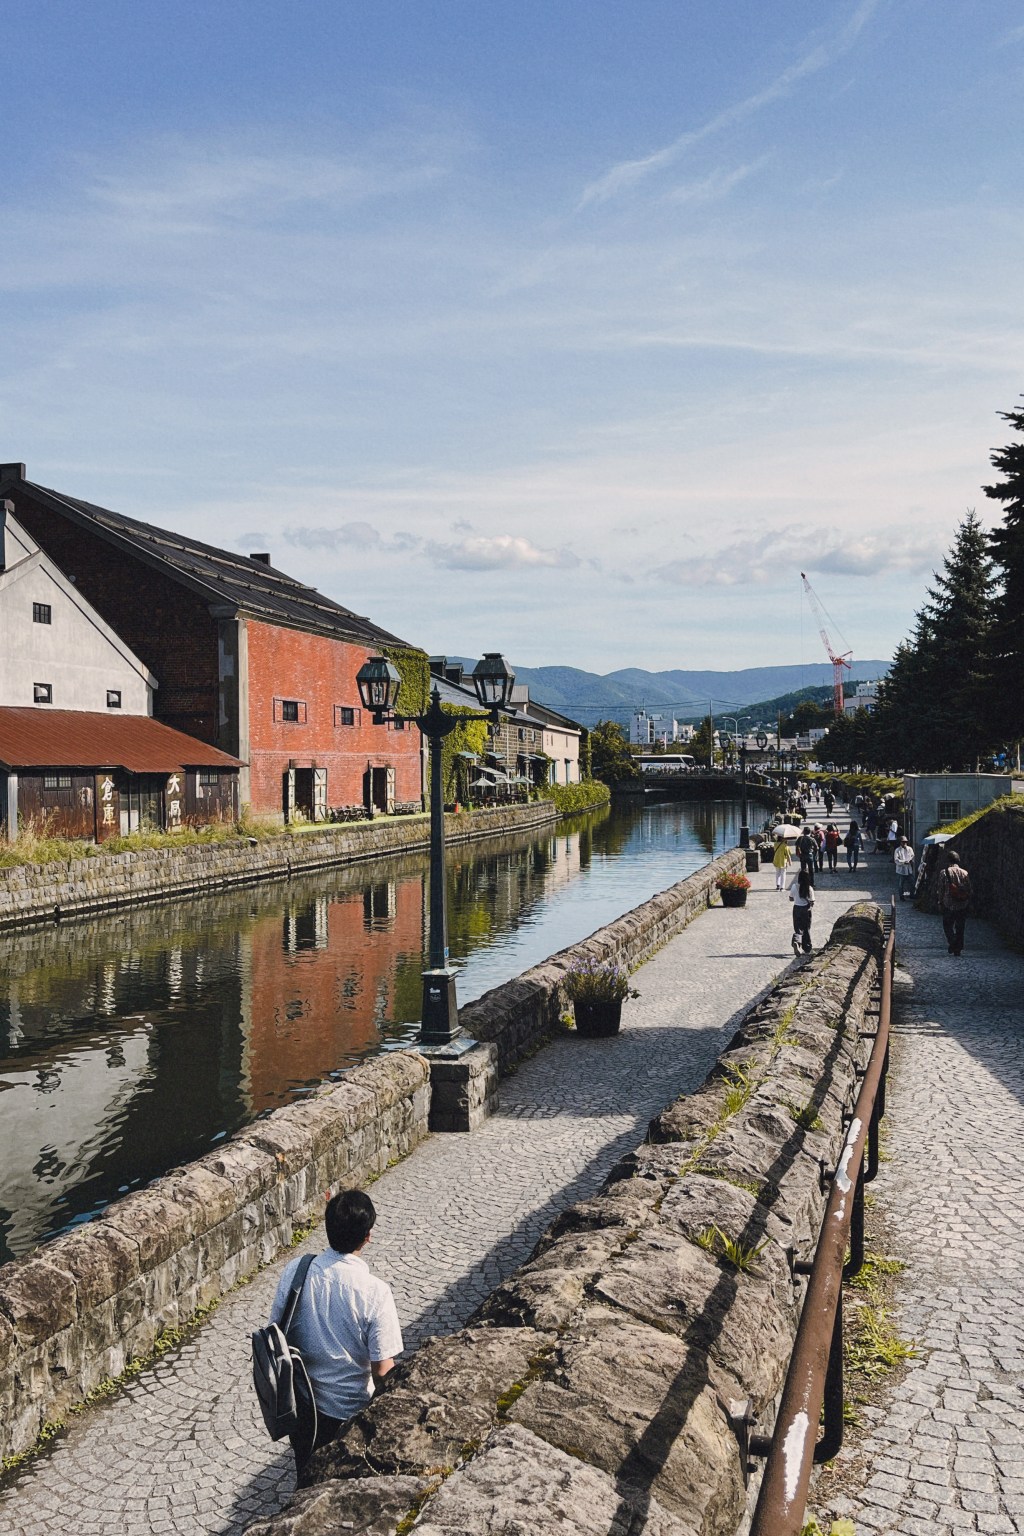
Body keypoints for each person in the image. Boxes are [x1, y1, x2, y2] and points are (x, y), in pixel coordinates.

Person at [269, 1189, 403, 1479]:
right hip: (350, 1413)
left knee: (306, 1479)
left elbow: (276, 1334)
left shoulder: (296, 1271)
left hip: (302, 1409)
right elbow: (382, 1371)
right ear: (368, 1236)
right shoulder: (375, 1292)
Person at [937, 850, 972, 956]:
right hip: (962, 903)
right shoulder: (964, 873)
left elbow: (941, 888)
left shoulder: (944, 872)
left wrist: (940, 901)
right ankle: (958, 947)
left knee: (947, 925)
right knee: (960, 926)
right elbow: (969, 889)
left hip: (949, 903)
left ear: (948, 860)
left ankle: (953, 942)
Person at [789, 866, 815, 954]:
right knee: (806, 928)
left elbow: (791, 898)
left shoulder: (794, 886)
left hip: (796, 908)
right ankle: (807, 947)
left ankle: (796, 942)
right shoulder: (809, 889)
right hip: (806, 910)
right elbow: (812, 901)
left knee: (797, 928)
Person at [893, 835, 915, 900]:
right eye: (903, 842)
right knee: (901, 885)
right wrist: (903, 862)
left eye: (905, 842)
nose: (904, 843)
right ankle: (901, 896)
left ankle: (912, 895)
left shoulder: (910, 849)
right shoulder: (897, 850)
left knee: (912, 883)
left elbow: (913, 856)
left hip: (909, 869)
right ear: (900, 842)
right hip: (901, 870)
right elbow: (896, 860)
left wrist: (911, 861)